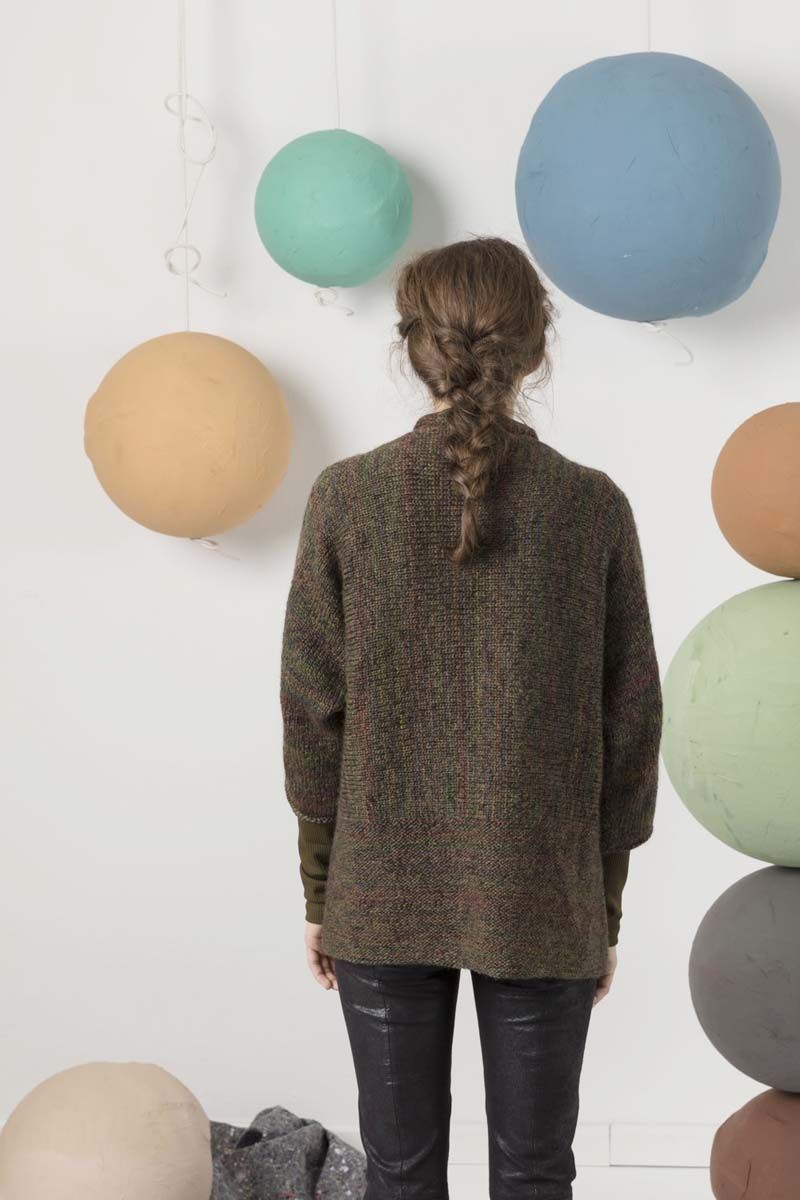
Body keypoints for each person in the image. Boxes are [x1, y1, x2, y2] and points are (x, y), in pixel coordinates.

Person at [279, 236, 663, 1200]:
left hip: (378, 890)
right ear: (536, 349)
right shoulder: (591, 508)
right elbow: (631, 722)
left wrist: (323, 891)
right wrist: (602, 902)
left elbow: (311, 710)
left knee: (400, 1173)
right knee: (535, 1174)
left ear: (413, 347)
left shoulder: (347, 498)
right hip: (543, 893)